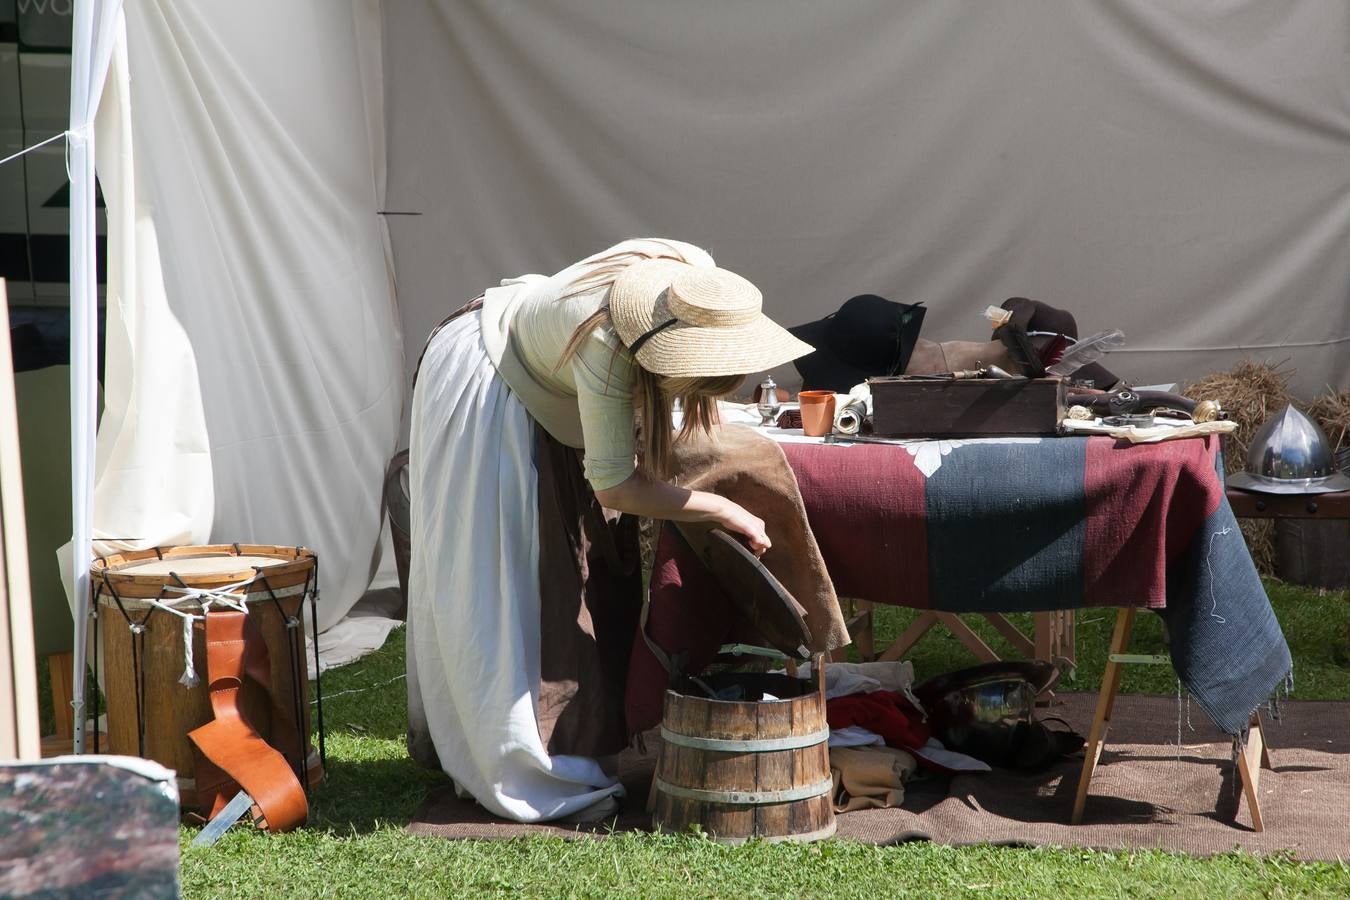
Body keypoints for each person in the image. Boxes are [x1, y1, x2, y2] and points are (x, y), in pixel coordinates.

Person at [405, 238, 813, 823]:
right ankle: (521, 761)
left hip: (541, 358)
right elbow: (616, 488)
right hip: (484, 376)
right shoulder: (606, 344)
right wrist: (723, 510)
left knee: (575, 567)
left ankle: (580, 733)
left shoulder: (691, 278)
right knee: (510, 577)